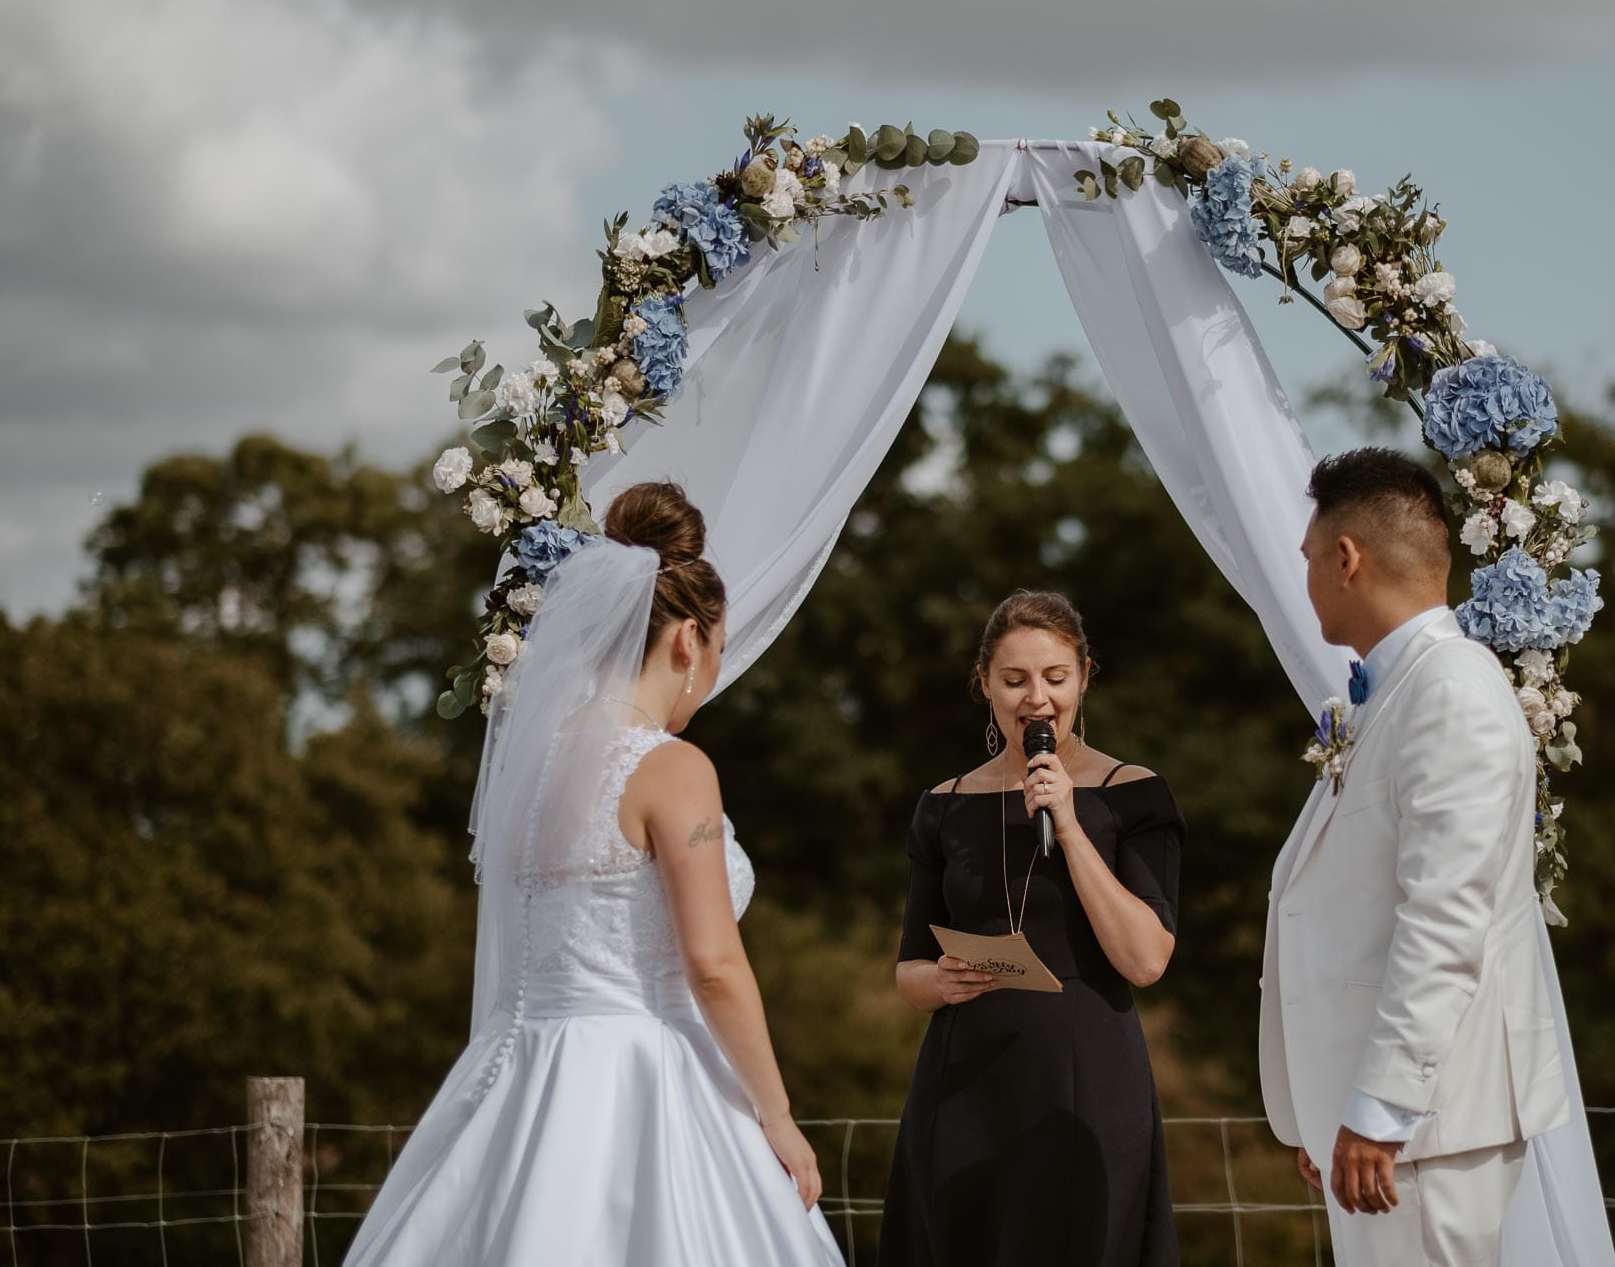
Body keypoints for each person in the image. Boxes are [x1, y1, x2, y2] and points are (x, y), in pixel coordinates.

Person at [345, 483, 841, 1266]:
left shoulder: (530, 766)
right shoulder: (672, 769)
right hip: (640, 1074)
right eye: (718, 649)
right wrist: (775, 1115)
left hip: (514, 1068)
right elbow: (712, 966)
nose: (713, 670)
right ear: (686, 640)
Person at [1260, 448, 1571, 1266]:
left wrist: (1380, 1108)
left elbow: (1443, 918)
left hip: (1425, 1124)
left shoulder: (1451, 694)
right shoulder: (1395, 692)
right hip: (1386, 1127)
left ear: (1346, 558)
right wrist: (1329, 1105)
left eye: (1307, 560)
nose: (1308, 579)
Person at [876, 591, 1182, 1267]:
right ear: (984, 683)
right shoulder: (942, 805)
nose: (1035, 699)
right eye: (1014, 680)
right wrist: (941, 979)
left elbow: (1147, 958)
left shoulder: (1135, 793)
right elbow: (909, 971)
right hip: (964, 1089)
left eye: (1055, 678)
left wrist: (1069, 826)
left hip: (1087, 1082)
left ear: (1084, 678)